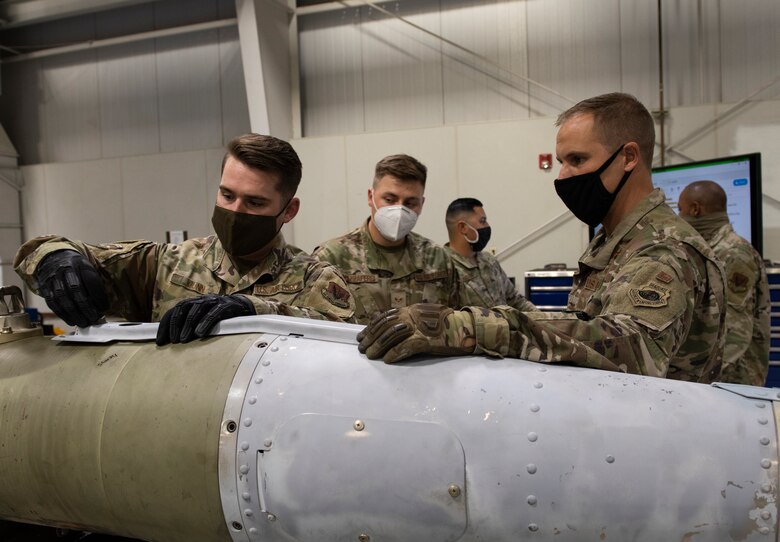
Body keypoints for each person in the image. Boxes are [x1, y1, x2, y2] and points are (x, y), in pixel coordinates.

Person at [358, 92, 727, 384]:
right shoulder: (613, 240)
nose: (564, 176)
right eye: (562, 161)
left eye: (577, 160)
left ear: (628, 156)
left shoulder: (664, 248)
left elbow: (631, 349)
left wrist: (473, 327)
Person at [14, 133, 355, 345]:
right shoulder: (165, 265)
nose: (235, 211)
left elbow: (342, 337)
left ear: (288, 210)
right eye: (226, 195)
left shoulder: (316, 281)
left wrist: (253, 310)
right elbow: (57, 249)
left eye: (254, 202)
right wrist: (54, 259)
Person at [312, 154, 458, 325]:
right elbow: (316, 331)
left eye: (410, 203)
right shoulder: (331, 258)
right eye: (389, 199)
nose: (399, 209)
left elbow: (455, 323)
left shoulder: (437, 258)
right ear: (370, 197)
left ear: (422, 204)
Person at [677, 180, 770, 386]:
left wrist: (698, 380)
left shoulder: (733, 253)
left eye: (680, 209)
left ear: (695, 209)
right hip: (716, 378)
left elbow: (735, 330)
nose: (678, 216)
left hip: (733, 379)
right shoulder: (710, 250)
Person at [444, 197, 535, 311]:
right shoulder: (444, 268)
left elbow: (516, 301)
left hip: (507, 328)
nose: (487, 226)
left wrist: (545, 321)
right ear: (463, 227)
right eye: (482, 221)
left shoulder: (489, 261)